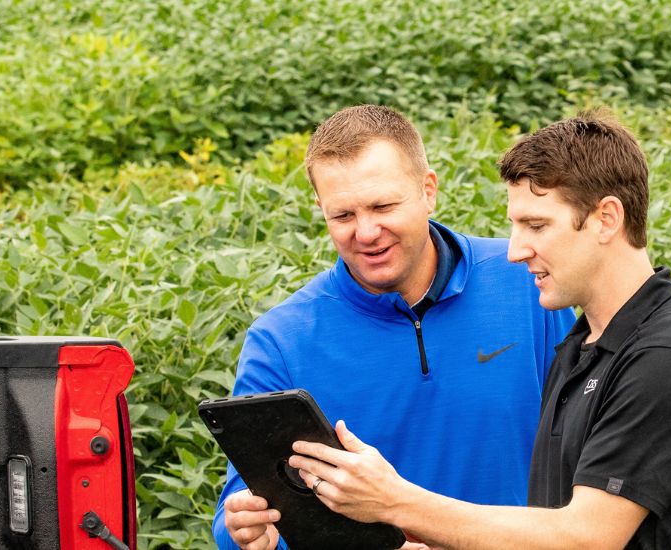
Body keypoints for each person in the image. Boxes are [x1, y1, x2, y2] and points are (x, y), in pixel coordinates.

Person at [289, 112, 671, 549]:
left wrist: (394, 502)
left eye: (536, 225)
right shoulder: (581, 348)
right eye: (516, 226)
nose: (514, 251)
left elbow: (587, 538)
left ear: (606, 219)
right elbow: (544, 528)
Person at [212, 105, 575, 550]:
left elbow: (583, 442)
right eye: (343, 216)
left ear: (428, 190)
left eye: (383, 206)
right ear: (320, 209)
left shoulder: (527, 281)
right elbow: (240, 503)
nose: (366, 232)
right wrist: (245, 528)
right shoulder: (280, 340)